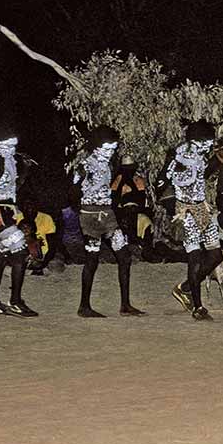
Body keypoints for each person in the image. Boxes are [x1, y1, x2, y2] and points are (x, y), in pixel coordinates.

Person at [72, 127, 144, 318]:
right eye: (107, 148)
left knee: (124, 256)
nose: (111, 152)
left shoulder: (107, 165)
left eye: (113, 148)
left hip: (108, 215)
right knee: (92, 260)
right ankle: (84, 306)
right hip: (90, 216)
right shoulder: (86, 165)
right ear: (96, 147)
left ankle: (125, 305)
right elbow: (73, 188)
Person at [168, 119, 223, 320]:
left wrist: (216, 161)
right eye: (208, 141)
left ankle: (184, 287)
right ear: (196, 141)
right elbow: (170, 180)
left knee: (216, 255)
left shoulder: (198, 156)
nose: (211, 145)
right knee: (195, 259)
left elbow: (201, 176)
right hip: (187, 212)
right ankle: (197, 307)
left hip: (202, 208)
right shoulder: (180, 158)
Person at [0, 131, 38, 317]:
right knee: (20, 251)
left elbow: (13, 187)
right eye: (9, 145)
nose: (13, 149)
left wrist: (26, 170)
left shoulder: (10, 159)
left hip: (6, 211)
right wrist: (1, 168)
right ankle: (15, 302)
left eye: (14, 145)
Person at [15, 198, 59, 274]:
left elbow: (52, 245)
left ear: (37, 206)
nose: (29, 207)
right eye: (26, 205)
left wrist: (44, 262)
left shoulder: (46, 218)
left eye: (31, 204)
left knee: (57, 267)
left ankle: (31, 270)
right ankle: (34, 270)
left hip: (44, 253)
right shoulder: (16, 218)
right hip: (22, 253)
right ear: (21, 207)